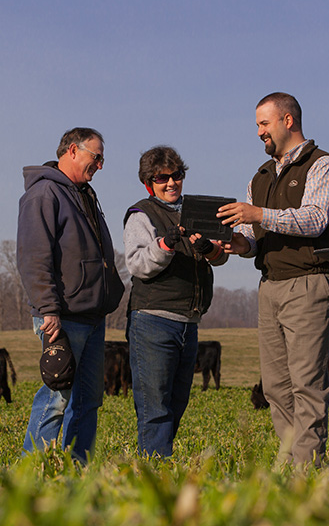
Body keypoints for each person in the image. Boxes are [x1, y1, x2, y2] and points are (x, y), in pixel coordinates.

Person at [218, 93, 329, 465]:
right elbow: (250, 240)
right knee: (275, 386)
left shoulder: (324, 165)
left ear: (287, 121)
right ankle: (292, 460)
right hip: (269, 286)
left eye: (264, 123)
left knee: (307, 383)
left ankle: (306, 472)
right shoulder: (259, 177)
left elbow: (315, 220)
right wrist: (231, 242)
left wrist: (258, 213)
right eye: (258, 125)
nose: (258, 132)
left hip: (310, 282)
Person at [17, 127, 124, 463]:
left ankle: (76, 467)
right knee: (56, 396)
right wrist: (48, 310)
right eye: (97, 157)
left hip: (92, 315)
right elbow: (33, 257)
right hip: (62, 316)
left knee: (88, 400)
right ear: (73, 151)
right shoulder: (45, 194)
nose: (101, 165)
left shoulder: (84, 194)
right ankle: (33, 471)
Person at [123, 145, 228, 457]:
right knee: (155, 405)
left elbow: (219, 258)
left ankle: (159, 461)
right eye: (161, 178)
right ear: (148, 183)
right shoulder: (141, 213)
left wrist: (210, 248)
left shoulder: (197, 211)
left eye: (176, 176)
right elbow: (137, 264)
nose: (171, 183)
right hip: (153, 320)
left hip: (189, 321)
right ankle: (154, 473)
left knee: (177, 401)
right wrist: (165, 244)